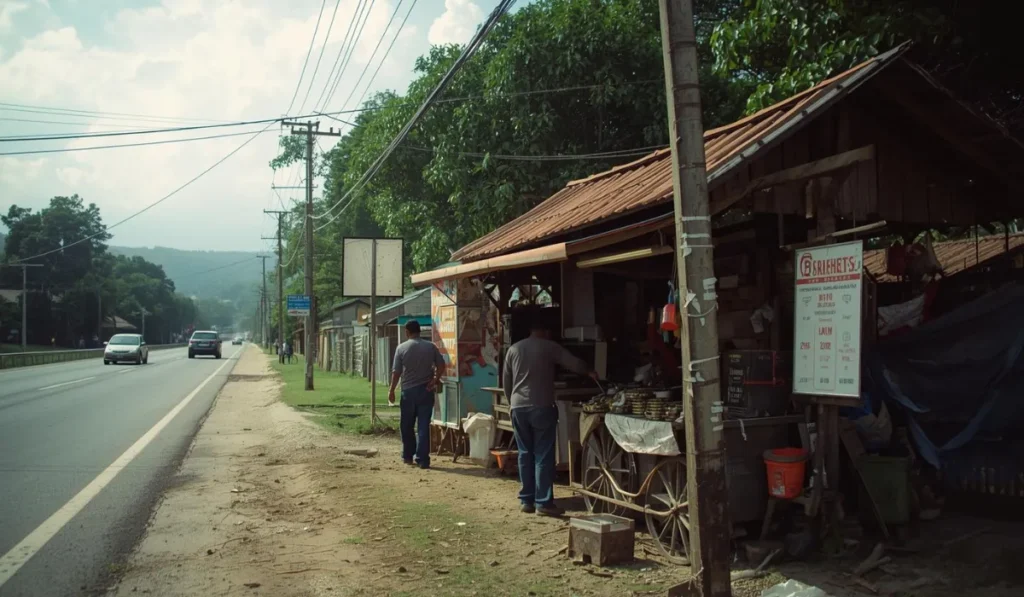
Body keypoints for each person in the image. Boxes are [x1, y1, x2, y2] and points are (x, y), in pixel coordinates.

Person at [503, 321, 597, 516]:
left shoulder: (513, 349)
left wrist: (512, 402)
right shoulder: (550, 346)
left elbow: (506, 381)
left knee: (524, 453)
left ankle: (526, 500)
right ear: (545, 330)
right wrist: (590, 371)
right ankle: (544, 503)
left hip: (518, 406)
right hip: (542, 406)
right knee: (543, 455)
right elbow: (574, 363)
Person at [388, 320, 444, 469]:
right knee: (423, 426)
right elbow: (441, 364)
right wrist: (435, 379)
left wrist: (392, 390)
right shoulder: (431, 347)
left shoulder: (401, 348)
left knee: (406, 425)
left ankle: (408, 456)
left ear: (407, 332)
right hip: (426, 391)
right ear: (419, 331)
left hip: (408, 392)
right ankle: (423, 459)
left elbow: (396, 372)